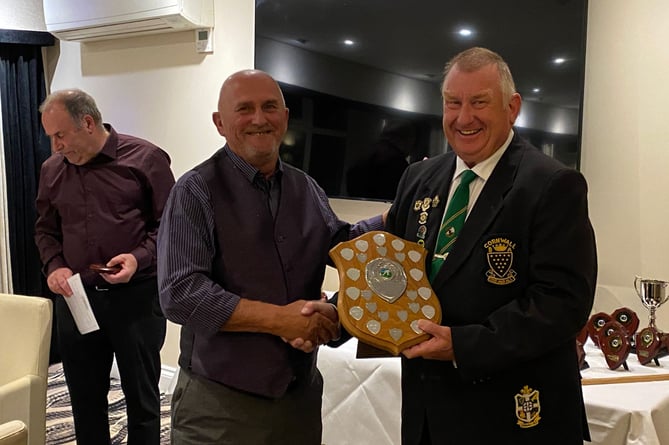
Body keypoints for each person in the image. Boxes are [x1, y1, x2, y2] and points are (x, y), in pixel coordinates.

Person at [157, 69, 384, 445]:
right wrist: (281, 320)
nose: (259, 119)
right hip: (220, 408)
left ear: (285, 117)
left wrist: (393, 217)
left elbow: (340, 244)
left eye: (269, 107)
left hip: (299, 399)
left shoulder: (305, 186)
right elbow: (180, 293)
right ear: (220, 123)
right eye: (244, 109)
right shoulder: (194, 191)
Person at [384, 47, 597, 444]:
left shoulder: (552, 184)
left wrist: (463, 345)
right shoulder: (417, 178)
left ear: (512, 107)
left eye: (479, 102)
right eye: (453, 103)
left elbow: (563, 302)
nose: (464, 118)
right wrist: (335, 314)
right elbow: (391, 270)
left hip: (512, 414)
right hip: (428, 412)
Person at [34, 89, 175, 445]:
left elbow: (172, 229)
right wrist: (54, 266)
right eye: (50, 137)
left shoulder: (146, 159)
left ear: (88, 122)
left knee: (141, 399)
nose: (56, 147)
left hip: (136, 300)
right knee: (85, 399)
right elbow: (45, 230)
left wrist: (138, 258)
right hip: (77, 298)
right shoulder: (52, 170)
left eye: (61, 135)